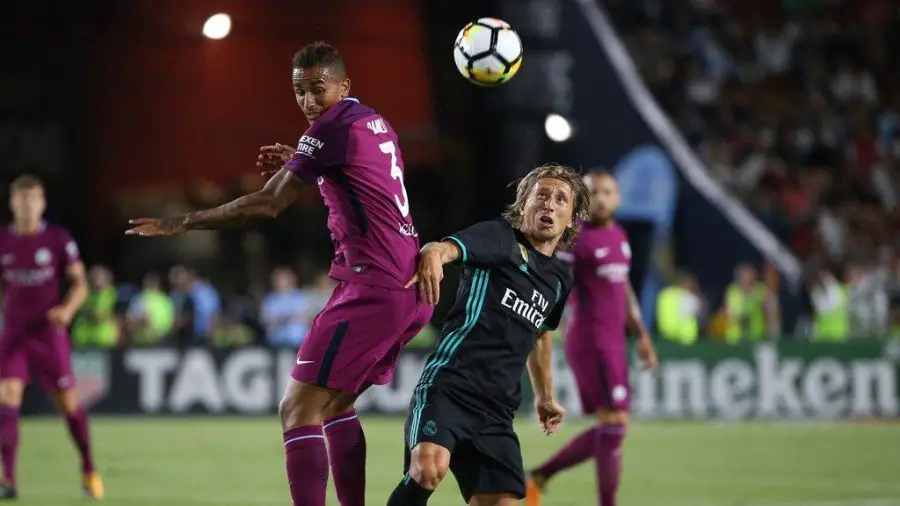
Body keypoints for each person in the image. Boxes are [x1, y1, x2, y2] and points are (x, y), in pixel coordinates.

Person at [125, 41, 432, 506]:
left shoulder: (330, 129)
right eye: (299, 91)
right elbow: (361, 182)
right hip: (407, 287)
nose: (308, 100)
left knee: (297, 409)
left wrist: (185, 221)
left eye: (318, 89)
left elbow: (268, 203)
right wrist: (307, 163)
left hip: (373, 286)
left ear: (343, 85)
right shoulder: (373, 122)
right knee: (336, 407)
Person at [386, 163, 591, 506]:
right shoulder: (499, 238)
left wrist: (544, 396)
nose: (549, 204)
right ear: (524, 205)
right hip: (450, 388)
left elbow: (540, 334)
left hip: (497, 411)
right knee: (428, 468)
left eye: (560, 199)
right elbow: (446, 248)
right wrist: (433, 253)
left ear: (571, 218)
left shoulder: (560, 279)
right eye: (541, 195)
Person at [526, 171, 659, 506]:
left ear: (619, 198)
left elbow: (623, 287)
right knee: (614, 425)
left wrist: (642, 335)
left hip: (614, 341)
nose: (600, 198)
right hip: (590, 340)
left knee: (615, 428)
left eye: (606, 191)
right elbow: (552, 283)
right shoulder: (575, 239)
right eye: (592, 192)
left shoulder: (619, 236)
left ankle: (539, 476)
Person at [0, 175, 104, 499]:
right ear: (12, 203)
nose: (28, 205)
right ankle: (8, 481)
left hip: (48, 334)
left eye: (34, 199)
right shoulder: (3, 241)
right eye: (22, 199)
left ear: (43, 203)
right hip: (14, 335)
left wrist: (67, 310)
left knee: (69, 407)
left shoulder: (57, 239)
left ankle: (89, 469)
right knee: (7, 397)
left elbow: (80, 284)